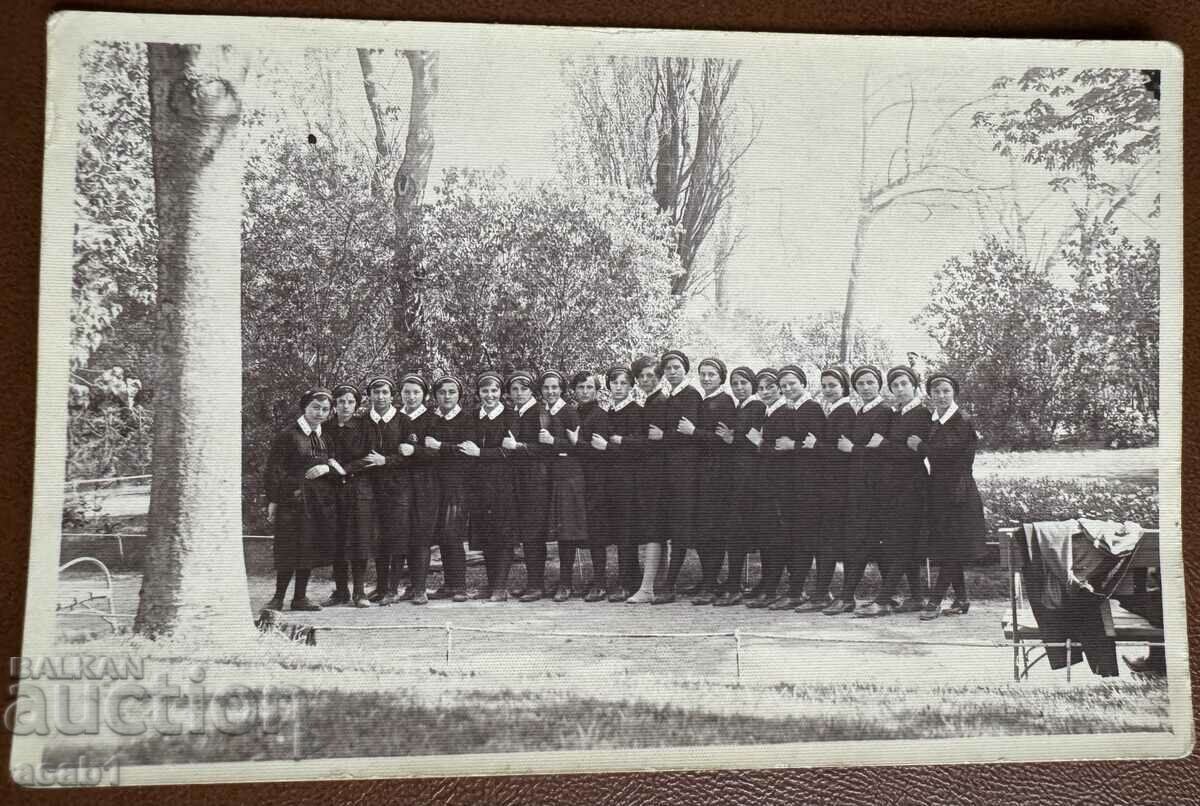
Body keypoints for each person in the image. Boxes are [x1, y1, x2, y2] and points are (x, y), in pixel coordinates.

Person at [855, 365, 931, 617]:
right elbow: (896, 449)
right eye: (895, 385)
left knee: (902, 543)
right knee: (901, 542)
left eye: (903, 384)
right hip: (893, 486)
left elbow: (913, 452)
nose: (899, 389)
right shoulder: (897, 414)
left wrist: (884, 444)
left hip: (912, 485)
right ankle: (917, 597)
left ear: (914, 386)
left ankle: (884, 599)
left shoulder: (921, 413)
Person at [911, 372, 986, 620]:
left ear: (954, 393)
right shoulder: (936, 420)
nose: (941, 396)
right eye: (936, 392)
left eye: (945, 391)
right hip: (940, 489)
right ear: (930, 395)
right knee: (947, 545)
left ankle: (934, 600)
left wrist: (920, 447)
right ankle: (961, 598)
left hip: (958, 491)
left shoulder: (961, 420)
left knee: (951, 548)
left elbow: (950, 455)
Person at [824, 365, 894, 615]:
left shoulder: (885, 412)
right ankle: (887, 595)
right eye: (860, 384)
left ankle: (849, 597)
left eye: (869, 383)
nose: (865, 388)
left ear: (879, 384)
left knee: (864, 542)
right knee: (862, 541)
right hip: (858, 485)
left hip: (875, 487)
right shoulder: (861, 412)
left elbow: (883, 452)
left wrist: (853, 449)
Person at [264, 388, 340, 612]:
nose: (320, 413)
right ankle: (278, 597)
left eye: (325, 409)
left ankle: (300, 598)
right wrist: (275, 500)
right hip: (292, 501)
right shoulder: (288, 435)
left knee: (308, 548)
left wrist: (325, 467)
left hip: (316, 502)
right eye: (315, 407)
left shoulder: (325, 437)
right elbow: (273, 471)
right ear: (305, 407)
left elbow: (336, 466)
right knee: (289, 548)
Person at [796, 366, 856, 612]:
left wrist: (816, 445)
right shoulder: (833, 410)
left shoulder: (845, 411)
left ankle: (825, 594)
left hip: (839, 485)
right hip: (827, 484)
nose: (828, 390)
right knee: (824, 541)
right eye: (825, 385)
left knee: (830, 541)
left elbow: (843, 452)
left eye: (833, 385)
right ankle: (821, 592)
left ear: (843, 387)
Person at [712, 366, 766, 606]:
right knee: (732, 529)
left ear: (752, 384)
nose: (739, 387)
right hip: (735, 474)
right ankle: (731, 580)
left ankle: (734, 585)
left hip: (749, 476)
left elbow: (755, 441)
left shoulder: (757, 406)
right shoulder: (741, 406)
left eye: (743, 382)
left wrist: (732, 438)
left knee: (737, 529)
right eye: (734, 383)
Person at [654, 349, 703, 604]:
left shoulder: (690, 394)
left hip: (686, 469)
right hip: (669, 469)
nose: (672, 372)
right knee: (673, 525)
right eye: (668, 369)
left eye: (676, 367)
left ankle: (670, 583)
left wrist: (665, 436)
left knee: (682, 526)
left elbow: (687, 431)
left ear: (685, 369)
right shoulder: (669, 396)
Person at [360, 377, 414, 605]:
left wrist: (387, 461)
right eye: (375, 392)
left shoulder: (404, 421)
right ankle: (380, 587)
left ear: (392, 395)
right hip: (372, 488)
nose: (380, 397)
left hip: (398, 488)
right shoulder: (363, 422)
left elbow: (410, 457)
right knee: (379, 538)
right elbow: (359, 452)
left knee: (397, 538)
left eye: (384, 392)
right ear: (369, 395)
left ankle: (393, 588)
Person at [424, 374, 477, 602]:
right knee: (442, 536)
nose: (447, 396)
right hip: (434, 484)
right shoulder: (431, 419)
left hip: (457, 485)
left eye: (451, 392)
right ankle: (448, 584)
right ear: (435, 395)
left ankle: (460, 587)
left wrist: (441, 447)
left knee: (453, 534)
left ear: (459, 396)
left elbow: (466, 450)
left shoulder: (466, 419)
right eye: (442, 392)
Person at [688, 357, 737, 605]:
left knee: (712, 530)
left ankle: (710, 583)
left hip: (717, 473)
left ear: (721, 377)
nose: (706, 379)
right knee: (702, 530)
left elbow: (722, 438)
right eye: (703, 374)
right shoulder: (704, 400)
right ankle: (709, 580)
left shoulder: (724, 401)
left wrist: (693, 432)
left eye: (711, 375)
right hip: (702, 471)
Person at [745, 368, 794, 609]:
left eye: (770, 387)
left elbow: (782, 450)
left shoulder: (785, 412)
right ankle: (766, 583)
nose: (765, 392)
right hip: (765, 483)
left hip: (779, 484)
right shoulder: (767, 413)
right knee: (766, 536)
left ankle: (772, 586)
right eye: (761, 388)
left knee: (775, 537)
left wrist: (760, 444)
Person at [539, 369, 590, 602]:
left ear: (561, 390)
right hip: (552, 475)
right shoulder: (543, 412)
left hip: (569, 476)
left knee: (568, 531)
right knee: (559, 531)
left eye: (554, 387)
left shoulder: (569, 412)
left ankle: (566, 583)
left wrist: (554, 442)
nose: (550, 391)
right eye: (546, 388)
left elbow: (579, 446)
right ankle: (561, 580)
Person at [776, 364, 824, 610]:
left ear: (803, 383)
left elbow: (814, 446)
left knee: (804, 537)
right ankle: (796, 589)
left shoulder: (812, 408)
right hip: (790, 481)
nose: (787, 389)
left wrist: (792, 445)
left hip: (809, 483)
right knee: (791, 537)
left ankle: (799, 590)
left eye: (792, 383)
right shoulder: (787, 409)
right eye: (783, 386)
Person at [468, 370, 518, 602]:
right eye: (485, 391)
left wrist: (481, 453)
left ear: (501, 392)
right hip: (478, 483)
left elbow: (509, 452)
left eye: (494, 390)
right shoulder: (472, 417)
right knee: (486, 533)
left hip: (503, 482)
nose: (490, 395)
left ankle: (500, 586)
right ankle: (491, 584)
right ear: (478, 393)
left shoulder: (510, 416)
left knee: (503, 533)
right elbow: (466, 448)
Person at [323, 383, 373, 608]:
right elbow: (321, 455)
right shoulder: (326, 428)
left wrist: (346, 469)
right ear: (335, 404)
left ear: (357, 404)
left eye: (350, 402)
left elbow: (370, 456)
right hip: (332, 489)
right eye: (341, 401)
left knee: (359, 538)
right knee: (337, 539)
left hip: (359, 488)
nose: (346, 406)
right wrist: (333, 469)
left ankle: (360, 592)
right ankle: (341, 590)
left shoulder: (365, 426)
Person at [506, 369, 552, 602]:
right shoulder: (517, 412)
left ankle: (536, 585)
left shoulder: (539, 412)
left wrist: (519, 447)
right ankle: (531, 582)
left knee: (534, 533)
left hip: (536, 479)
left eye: (523, 388)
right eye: (514, 389)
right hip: (521, 479)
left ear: (532, 390)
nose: (519, 393)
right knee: (527, 532)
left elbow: (545, 448)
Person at [625, 355, 668, 604]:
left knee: (654, 529)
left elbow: (654, 441)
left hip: (658, 473)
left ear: (659, 376)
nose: (645, 380)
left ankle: (648, 587)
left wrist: (626, 441)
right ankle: (657, 583)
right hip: (651, 472)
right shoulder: (650, 402)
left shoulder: (660, 402)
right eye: (641, 376)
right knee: (657, 529)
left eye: (650, 375)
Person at [602, 365, 643, 601]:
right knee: (618, 530)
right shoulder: (607, 412)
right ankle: (625, 578)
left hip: (629, 478)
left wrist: (620, 442)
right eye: (615, 383)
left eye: (624, 383)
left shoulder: (635, 410)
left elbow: (641, 444)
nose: (619, 387)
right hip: (612, 478)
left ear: (631, 386)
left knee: (628, 531)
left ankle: (629, 582)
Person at [572, 371, 614, 602]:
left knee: (597, 532)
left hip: (598, 480)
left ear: (597, 391)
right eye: (581, 387)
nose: (585, 392)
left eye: (589, 387)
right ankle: (594, 580)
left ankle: (600, 582)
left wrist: (576, 443)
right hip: (579, 479)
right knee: (585, 530)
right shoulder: (574, 413)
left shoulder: (600, 415)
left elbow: (600, 450)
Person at [397, 372, 437, 605]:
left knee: (421, 535)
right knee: (402, 533)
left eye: (416, 392)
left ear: (424, 395)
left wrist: (416, 451)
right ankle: (407, 586)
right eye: (406, 392)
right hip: (399, 483)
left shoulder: (431, 418)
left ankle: (421, 588)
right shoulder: (396, 417)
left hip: (425, 483)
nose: (411, 397)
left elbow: (436, 452)